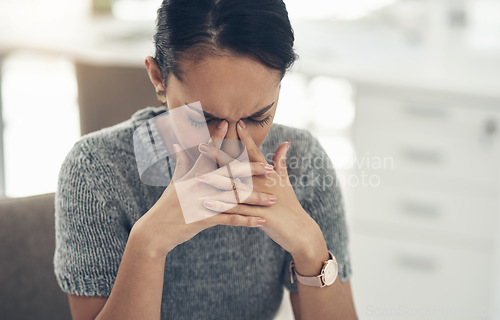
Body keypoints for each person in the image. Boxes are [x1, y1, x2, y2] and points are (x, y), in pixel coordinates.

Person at [53, 0, 358, 319]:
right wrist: (148, 243)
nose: (230, 142)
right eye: (205, 118)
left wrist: (309, 246)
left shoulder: (301, 161)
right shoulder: (96, 168)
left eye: (257, 117)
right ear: (158, 77)